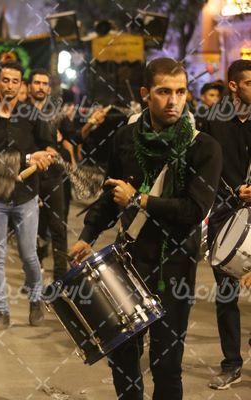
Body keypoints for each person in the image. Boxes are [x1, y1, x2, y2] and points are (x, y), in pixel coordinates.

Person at [68, 57, 222, 400]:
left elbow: (194, 210)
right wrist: (86, 236)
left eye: (180, 92)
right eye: (164, 91)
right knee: (121, 356)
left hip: (175, 267)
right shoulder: (125, 137)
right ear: (145, 94)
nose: (173, 101)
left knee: (166, 364)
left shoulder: (204, 147)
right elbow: (111, 195)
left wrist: (139, 200)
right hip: (129, 260)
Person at [0, 61, 56, 331]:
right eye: (5, 80)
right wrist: (29, 157)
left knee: (29, 255)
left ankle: (35, 300)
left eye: (15, 81)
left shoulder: (32, 114)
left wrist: (47, 156)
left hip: (26, 197)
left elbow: (49, 146)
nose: (9, 85)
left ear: (22, 85)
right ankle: (2, 312)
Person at [205, 59, 251, 390]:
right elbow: (204, 170)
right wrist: (233, 191)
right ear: (233, 86)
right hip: (224, 216)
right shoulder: (213, 120)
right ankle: (231, 363)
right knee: (226, 295)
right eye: (250, 83)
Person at [28, 69, 68, 279]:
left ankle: (61, 276)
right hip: (29, 176)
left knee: (57, 226)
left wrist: (91, 124)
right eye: (37, 83)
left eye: (45, 84)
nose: (41, 87)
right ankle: (34, 272)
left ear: (49, 89)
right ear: (29, 86)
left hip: (53, 176)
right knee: (32, 227)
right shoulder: (21, 112)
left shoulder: (57, 113)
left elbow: (74, 137)